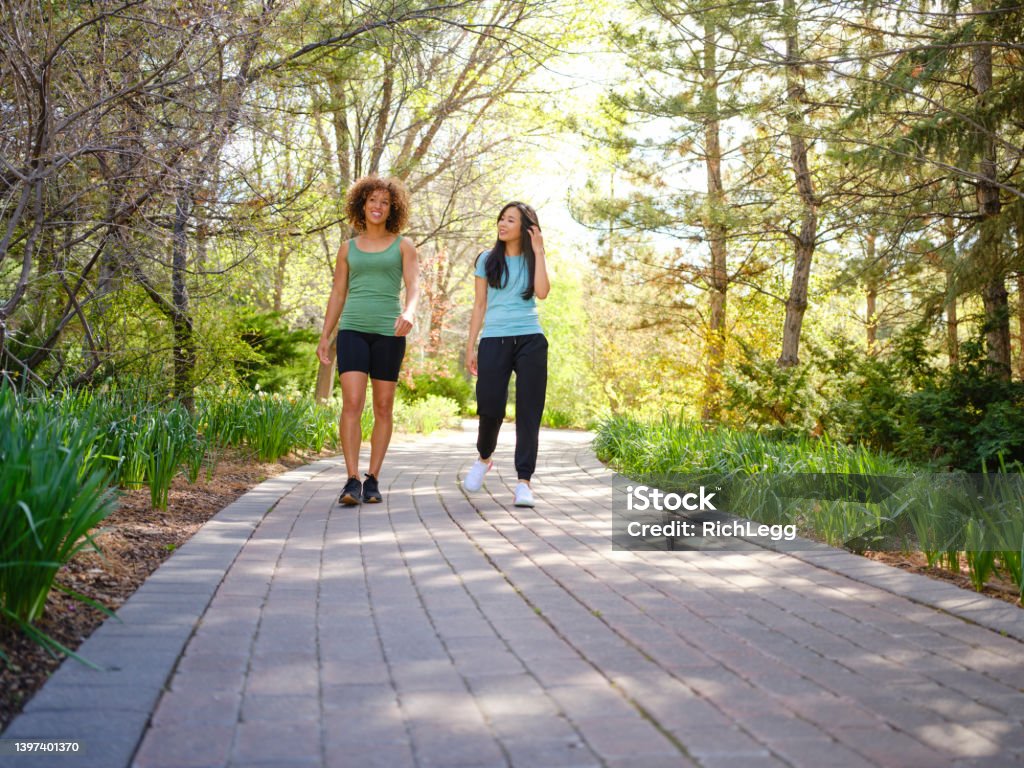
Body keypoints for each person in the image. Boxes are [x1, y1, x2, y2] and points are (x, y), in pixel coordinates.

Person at [316, 176, 419, 506]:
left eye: (385, 202)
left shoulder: (403, 246)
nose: (378, 206)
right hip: (353, 330)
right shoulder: (348, 248)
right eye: (372, 200)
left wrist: (411, 312)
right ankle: (351, 480)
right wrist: (326, 334)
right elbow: (338, 292)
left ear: (393, 209)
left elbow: (415, 288)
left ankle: (373, 478)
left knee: (384, 406)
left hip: (389, 333)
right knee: (352, 402)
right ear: (362, 204)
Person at [463, 201, 550, 507]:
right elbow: (479, 305)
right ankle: (484, 458)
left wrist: (539, 251)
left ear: (525, 228)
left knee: (529, 411)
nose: (502, 224)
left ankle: (524, 482)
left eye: (510, 220)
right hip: (494, 339)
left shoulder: (532, 258)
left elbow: (542, 292)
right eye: (501, 218)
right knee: (489, 406)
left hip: (530, 339)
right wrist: (471, 345)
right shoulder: (486, 260)